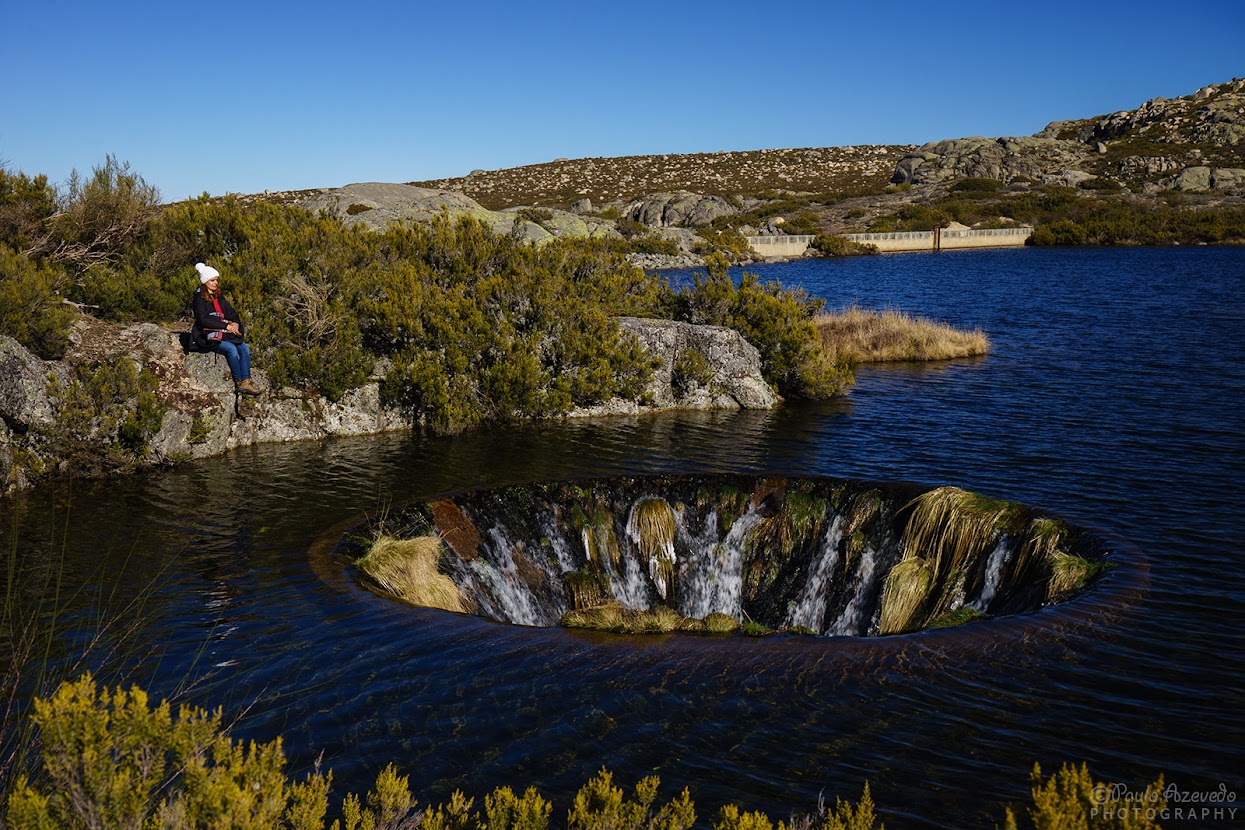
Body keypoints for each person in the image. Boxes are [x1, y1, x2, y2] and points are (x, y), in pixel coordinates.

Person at [192, 262, 261, 395]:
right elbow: (202, 319)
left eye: (216, 280)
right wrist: (225, 326)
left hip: (225, 333)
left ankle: (247, 380)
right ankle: (239, 381)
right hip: (207, 335)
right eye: (212, 280)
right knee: (231, 349)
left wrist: (235, 323)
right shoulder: (199, 298)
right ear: (205, 281)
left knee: (244, 348)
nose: (215, 283)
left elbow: (231, 312)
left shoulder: (219, 296)